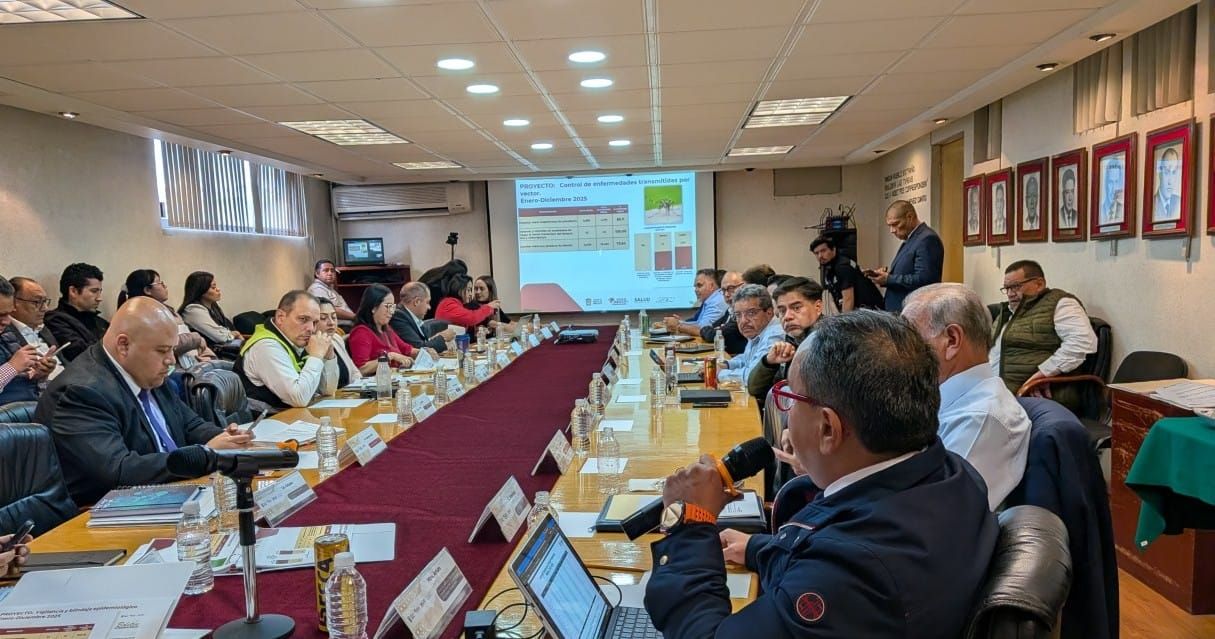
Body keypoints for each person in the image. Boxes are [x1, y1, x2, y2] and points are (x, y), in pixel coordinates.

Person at [646, 311, 997, 638]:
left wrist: (689, 522)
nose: (787, 412)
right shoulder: (951, 472)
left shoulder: (852, 570)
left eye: (790, 396)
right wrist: (760, 548)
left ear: (828, 428)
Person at [34, 298, 251, 506]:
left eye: (172, 349)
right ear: (124, 345)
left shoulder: (146, 371)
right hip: (113, 509)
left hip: (172, 492)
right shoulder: (81, 392)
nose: (171, 360)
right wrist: (204, 455)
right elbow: (118, 470)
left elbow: (190, 424)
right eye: (162, 350)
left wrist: (226, 438)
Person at [902, 283, 1031, 509]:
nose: (899, 352)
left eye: (908, 340)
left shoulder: (980, 419)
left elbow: (935, 511)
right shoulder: (946, 398)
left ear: (952, 340)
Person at [990, 260, 1097, 412]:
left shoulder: (1061, 304)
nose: (1010, 294)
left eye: (1016, 287)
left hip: (1031, 395)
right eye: (1006, 288)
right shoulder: (1008, 312)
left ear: (1039, 284)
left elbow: (1082, 342)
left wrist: (1044, 373)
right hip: (997, 394)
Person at [234, 290, 340, 410]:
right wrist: (316, 357)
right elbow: (299, 399)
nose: (311, 328)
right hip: (267, 419)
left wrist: (328, 357)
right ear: (280, 317)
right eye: (303, 319)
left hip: (293, 416)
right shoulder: (266, 346)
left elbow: (328, 391)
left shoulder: (295, 340)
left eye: (315, 322)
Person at [747, 277, 823, 401]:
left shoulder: (828, 343)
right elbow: (754, 389)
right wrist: (768, 363)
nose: (787, 317)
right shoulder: (792, 341)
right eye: (782, 311)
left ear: (818, 307)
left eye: (796, 308)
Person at [117, 269, 214, 365]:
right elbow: (165, 345)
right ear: (147, 290)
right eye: (160, 283)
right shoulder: (145, 315)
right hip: (170, 368)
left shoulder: (166, 310)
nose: (165, 286)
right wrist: (196, 339)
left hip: (192, 362)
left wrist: (207, 356)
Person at [867, 201, 944, 312]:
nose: (892, 230)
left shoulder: (927, 239)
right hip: (901, 310)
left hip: (912, 312)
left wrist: (889, 279)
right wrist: (886, 276)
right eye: (889, 226)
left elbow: (926, 280)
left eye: (895, 224)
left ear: (910, 217)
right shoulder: (912, 238)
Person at [0, 276, 57, 404]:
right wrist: (12, 367)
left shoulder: (5, 336)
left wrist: (37, 376)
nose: (7, 321)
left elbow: (18, 386)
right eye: (1, 315)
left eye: (9, 314)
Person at [715, 284, 784, 386]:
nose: (743, 321)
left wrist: (719, 374)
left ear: (769, 312)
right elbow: (747, 358)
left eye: (751, 313)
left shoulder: (774, 335)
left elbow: (751, 376)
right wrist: (726, 365)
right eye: (738, 315)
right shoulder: (757, 331)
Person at [44, 262, 109, 362]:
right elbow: (82, 355)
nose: (99, 298)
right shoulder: (55, 320)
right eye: (94, 291)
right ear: (73, 291)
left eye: (100, 292)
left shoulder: (100, 322)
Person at [346, 284, 415, 372]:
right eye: (388, 306)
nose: (391, 312)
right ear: (374, 307)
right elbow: (361, 369)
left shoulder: (386, 329)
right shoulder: (361, 332)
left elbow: (407, 349)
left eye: (392, 307)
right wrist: (390, 356)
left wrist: (425, 351)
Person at [6, 276, 63, 380]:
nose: (45, 308)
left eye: (45, 301)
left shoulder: (43, 328)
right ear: (13, 302)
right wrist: (37, 375)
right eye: (37, 302)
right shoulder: (5, 332)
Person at [811, 236, 883, 312]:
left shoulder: (842, 266)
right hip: (861, 311)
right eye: (816, 253)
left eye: (823, 251)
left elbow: (848, 300)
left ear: (833, 249)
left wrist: (843, 319)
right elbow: (833, 297)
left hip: (870, 311)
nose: (820, 256)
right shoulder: (830, 267)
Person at [179, 271, 243, 349]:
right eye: (213, 287)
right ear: (201, 290)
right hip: (209, 352)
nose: (218, 289)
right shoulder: (192, 310)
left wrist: (234, 334)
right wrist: (236, 334)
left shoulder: (214, 307)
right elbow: (221, 337)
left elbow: (226, 330)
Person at [391, 282, 456, 353]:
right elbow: (420, 348)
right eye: (427, 302)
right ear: (417, 301)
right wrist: (443, 337)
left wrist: (438, 337)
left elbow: (424, 342)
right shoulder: (398, 317)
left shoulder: (409, 316)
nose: (429, 307)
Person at [662, 269, 727, 337]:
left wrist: (677, 325)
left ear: (711, 286)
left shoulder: (717, 302)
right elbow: (699, 323)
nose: (696, 290)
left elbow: (702, 329)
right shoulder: (710, 300)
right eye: (695, 287)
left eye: (699, 285)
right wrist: (680, 322)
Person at [698, 271, 746, 356]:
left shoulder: (743, 314)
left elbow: (711, 335)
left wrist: (715, 331)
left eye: (731, 288)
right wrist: (714, 331)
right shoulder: (729, 310)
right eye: (723, 290)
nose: (726, 294)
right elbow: (707, 328)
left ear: (743, 286)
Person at [318, 298, 359, 387]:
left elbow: (354, 373)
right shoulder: (309, 346)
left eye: (334, 317)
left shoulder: (336, 339)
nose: (331, 323)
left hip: (349, 393)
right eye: (323, 318)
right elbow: (325, 388)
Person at [307, 259, 355, 324]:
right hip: (339, 327)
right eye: (326, 270)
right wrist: (356, 317)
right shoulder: (317, 289)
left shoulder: (329, 288)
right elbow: (329, 310)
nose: (330, 273)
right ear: (317, 274)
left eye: (332, 271)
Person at [1153, 146, 1181, 222]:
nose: (1170, 181)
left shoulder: (1179, 202)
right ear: (1160, 173)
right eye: (1167, 172)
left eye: (1174, 172)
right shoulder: (1152, 204)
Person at [1100, 158, 1125, 225]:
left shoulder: (1123, 210)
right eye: (1110, 182)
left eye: (1116, 182)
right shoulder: (1100, 210)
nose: (1114, 189)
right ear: (1106, 183)